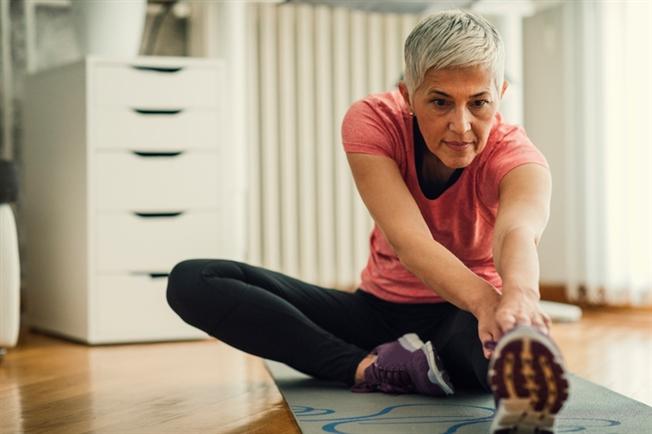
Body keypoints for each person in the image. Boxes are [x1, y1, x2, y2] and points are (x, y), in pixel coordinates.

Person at [166, 9, 568, 433]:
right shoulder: (374, 120)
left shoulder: (519, 158)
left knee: (490, 340)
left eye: (479, 103)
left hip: (462, 318)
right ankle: (371, 368)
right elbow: (410, 242)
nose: (461, 125)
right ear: (408, 95)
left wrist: (517, 298)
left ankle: (462, 371)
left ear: (500, 94)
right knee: (194, 280)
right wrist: (491, 302)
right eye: (439, 102)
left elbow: (516, 232)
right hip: (378, 314)